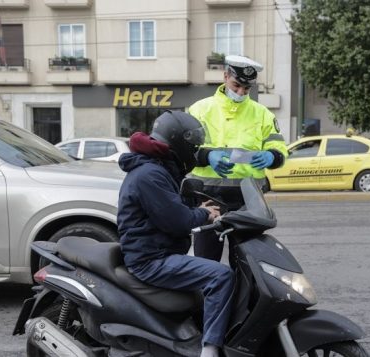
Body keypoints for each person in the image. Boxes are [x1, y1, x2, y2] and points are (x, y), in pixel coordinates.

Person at [117, 110, 235, 357]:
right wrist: (203, 214)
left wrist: (197, 207)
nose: (193, 152)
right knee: (220, 276)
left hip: (158, 251)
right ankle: (210, 350)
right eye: (191, 147)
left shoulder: (157, 167)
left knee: (207, 278)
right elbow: (177, 221)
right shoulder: (150, 175)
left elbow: (173, 208)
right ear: (177, 142)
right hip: (151, 260)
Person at [188, 55, 288, 262]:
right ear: (225, 77)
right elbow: (184, 150)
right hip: (209, 196)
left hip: (248, 199)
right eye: (236, 85)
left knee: (246, 260)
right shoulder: (200, 109)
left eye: (246, 88)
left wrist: (272, 155)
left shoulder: (262, 114)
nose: (241, 92)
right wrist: (208, 156)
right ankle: (208, 295)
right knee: (206, 260)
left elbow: (279, 148)